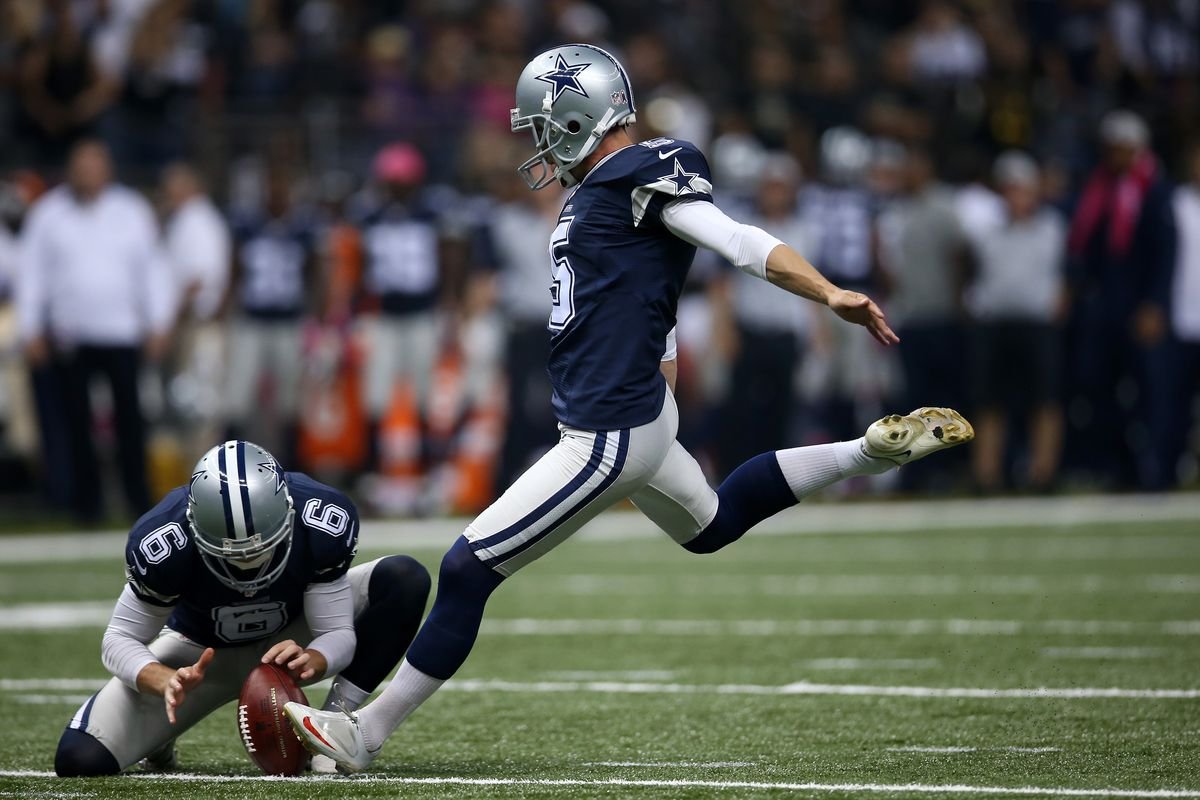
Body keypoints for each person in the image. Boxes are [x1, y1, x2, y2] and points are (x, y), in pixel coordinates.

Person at [285, 44, 973, 771]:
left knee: (465, 569)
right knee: (709, 526)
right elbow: (647, 281)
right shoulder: (605, 190)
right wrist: (666, 347)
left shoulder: (640, 173)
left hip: (607, 430)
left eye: (545, 125)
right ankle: (869, 452)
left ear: (580, 118)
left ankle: (366, 730)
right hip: (636, 413)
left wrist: (827, 289)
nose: (538, 142)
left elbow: (735, 240)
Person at [53, 440, 430, 777]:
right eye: (231, 553)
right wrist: (160, 678)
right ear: (194, 524)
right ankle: (158, 739)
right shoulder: (165, 542)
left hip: (288, 640)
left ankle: (331, 725)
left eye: (262, 547)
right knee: (80, 759)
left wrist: (316, 657)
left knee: (403, 579)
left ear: (287, 509)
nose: (249, 561)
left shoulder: (320, 518)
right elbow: (118, 637)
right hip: (198, 657)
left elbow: (336, 632)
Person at [17, 139, 174, 521]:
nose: (88, 173)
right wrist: (31, 327)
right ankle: (86, 504)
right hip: (71, 334)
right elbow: (31, 274)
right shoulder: (49, 213)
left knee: (130, 421)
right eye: (81, 165)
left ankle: (139, 500)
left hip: (122, 332)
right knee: (76, 422)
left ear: (107, 168)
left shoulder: (131, 210)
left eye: (94, 164)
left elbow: (153, 269)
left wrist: (159, 322)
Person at [965, 151, 1066, 492]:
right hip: (994, 323)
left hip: (1038, 324)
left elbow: (1065, 276)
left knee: (1045, 400)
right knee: (989, 402)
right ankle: (987, 476)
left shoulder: (1052, 227)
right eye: (1008, 188)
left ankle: (1043, 474)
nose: (1015, 195)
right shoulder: (986, 229)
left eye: (1020, 188)